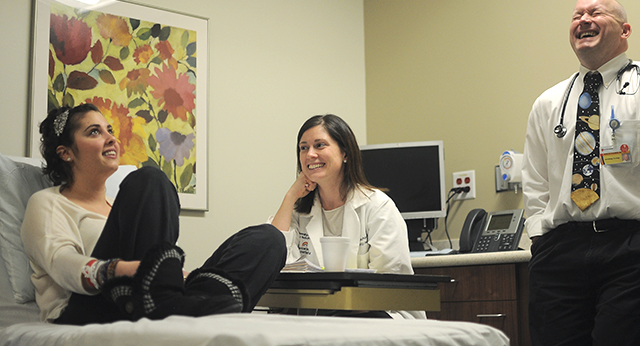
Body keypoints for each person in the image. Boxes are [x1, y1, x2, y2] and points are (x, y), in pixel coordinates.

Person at [21, 103, 286, 325]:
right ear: (66, 153)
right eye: (94, 132)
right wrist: (123, 269)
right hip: (86, 310)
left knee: (268, 240)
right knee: (150, 179)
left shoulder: (124, 206)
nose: (111, 138)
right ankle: (179, 306)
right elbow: (61, 263)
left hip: (147, 297)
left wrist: (176, 275)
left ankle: (179, 306)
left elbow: (158, 257)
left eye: (109, 130)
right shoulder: (47, 203)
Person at [522, 0, 640, 345]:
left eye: (595, 12)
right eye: (577, 15)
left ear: (625, 30)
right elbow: (536, 181)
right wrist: (541, 239)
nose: (583, 19)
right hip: (560, 252)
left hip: (633, 247)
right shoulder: (549, 102)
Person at [270, 114, 425, 319]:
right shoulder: (299, 212)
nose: (310, 155)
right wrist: (290, 197)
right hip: (322, 318)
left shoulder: (377, 206)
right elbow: (273, 253)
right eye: (304, 147)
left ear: (345, 153)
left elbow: (389, 283)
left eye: (320, 145)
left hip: (382, 315)